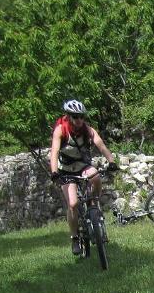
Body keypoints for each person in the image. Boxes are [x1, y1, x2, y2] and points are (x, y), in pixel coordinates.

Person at [49, 99, 117, 257]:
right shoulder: (61, 130)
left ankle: (94, 203)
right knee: (73, 204)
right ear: (68, 116)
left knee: (96, 176)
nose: (79, 119)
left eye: (81, 116)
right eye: (75, 116)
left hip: (83, 166)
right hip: (66, 171)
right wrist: (54, 172)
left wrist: (112, 161)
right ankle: (74, 237)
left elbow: (101, 145)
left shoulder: (88, 130)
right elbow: (54, 152)